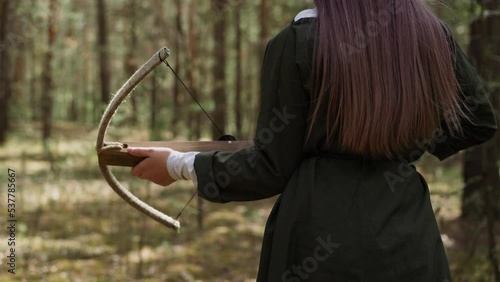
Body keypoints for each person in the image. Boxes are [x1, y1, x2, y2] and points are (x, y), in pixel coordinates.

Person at [127, 1, 497, 281]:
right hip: (409, 238)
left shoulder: (299, 41)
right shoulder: (431, 34)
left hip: (315, 240)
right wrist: (400, 141)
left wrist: (176, 165)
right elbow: (478, 121)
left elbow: (269, 169)